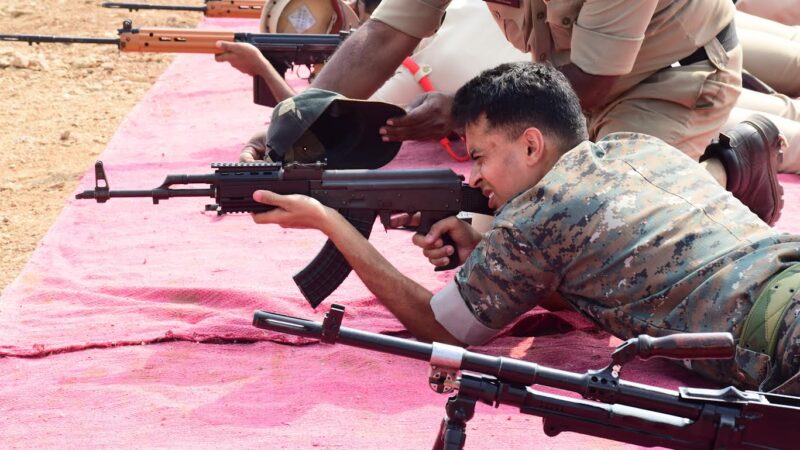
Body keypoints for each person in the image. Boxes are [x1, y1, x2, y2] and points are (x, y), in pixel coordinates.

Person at [249, 62, 799, 394]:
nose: (476, 174)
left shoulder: (534, 217)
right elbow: (598, 266)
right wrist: (486, 241)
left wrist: (329, 222)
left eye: (482, 155)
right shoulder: (636, 148)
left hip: (775, 333)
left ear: (532, 145)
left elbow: (443, 331)